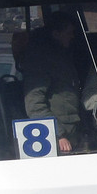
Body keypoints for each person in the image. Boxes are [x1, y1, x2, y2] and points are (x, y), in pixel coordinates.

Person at [21, 11, 86, 153]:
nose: (72, 37)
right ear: (56, 34)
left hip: (74, 131)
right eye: (69, 32)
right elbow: (34, 104)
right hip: (59, 140)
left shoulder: (63, 57)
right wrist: (58, 134)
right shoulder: (40, 61)